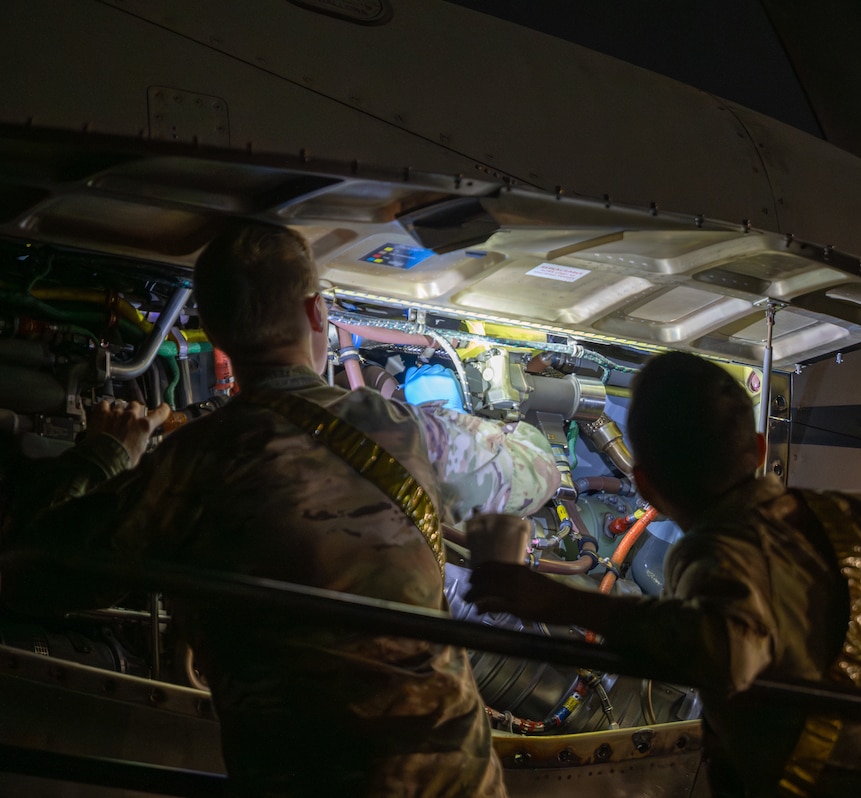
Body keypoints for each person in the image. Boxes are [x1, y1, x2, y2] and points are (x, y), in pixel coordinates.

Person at [2, 221, 560, 797]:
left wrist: (106, 452)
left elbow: (33, 573)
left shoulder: (192, 463)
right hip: (454, 780)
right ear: (316, 312)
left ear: (216, 332)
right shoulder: (403, 429)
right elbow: (537, 473)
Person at [467, 351, 861, 797]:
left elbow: (727, 650)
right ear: (759, 448)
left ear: (643, 486)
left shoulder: (715, 554)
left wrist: (556, 602)